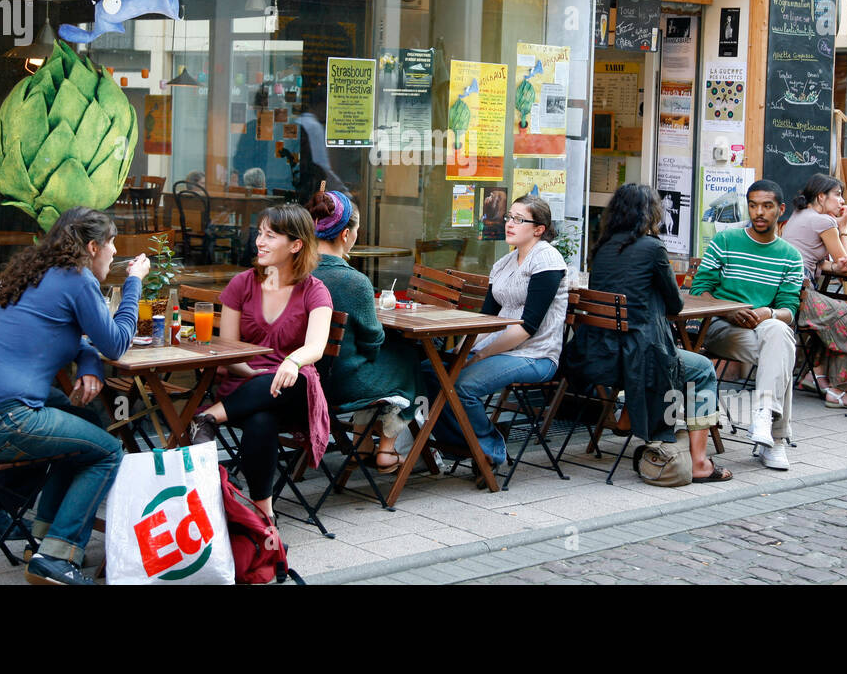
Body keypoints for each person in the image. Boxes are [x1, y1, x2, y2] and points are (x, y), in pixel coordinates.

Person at [0, 207, 148, 585]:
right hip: (3, 421)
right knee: (106, 450)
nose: (114, 250)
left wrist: (89, 364)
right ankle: (56, 557)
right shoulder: (78, 281)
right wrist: (134, 281)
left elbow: (76, 337)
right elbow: (117, 343)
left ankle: (42, 541)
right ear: (92, 247)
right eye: (111, 243)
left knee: (85, 425)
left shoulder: (32, 275)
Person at [566, 184, 729, 482]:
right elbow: (675, 303)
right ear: (650, 213)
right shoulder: (652, 248)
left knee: (657, 351)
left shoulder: (602, 248)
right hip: (636, 358)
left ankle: (629, 418)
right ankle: (701, 462)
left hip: (599, 355)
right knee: (703, 369)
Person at [192, 204, 333, 518]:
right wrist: (255, 373)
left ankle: (210, 417)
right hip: (243, 384)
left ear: (296, 245)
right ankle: (264, 515)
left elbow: (316, 347)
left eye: (271, 235)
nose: (260, 241)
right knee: (260, 419)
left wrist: (292, 362)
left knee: (297, 379)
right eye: (259, 233)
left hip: (291, 392)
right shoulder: (242, 284)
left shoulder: (315, 290)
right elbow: (228, 350)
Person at [426, 194, 568, 478]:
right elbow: (486, 321)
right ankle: (462, 444)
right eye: (509, 217)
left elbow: (529, 327)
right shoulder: (503, 263)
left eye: (519, 219)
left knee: (462, 384)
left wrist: (481, 354)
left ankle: (490, 449)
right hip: (499, 347)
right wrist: (465, 350)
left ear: (538, 229)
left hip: (535, 354)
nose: (509, 224)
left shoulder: (547, 259)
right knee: (432, 372)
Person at [689, 179, 804, 471]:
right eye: (753, 205)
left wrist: (768, 313)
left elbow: (790, 309)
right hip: (719, 327)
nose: (759, 213)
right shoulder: (726, 241)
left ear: (781, 209)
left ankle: (765, 418)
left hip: (764, 329)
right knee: (782, 353)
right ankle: (775, 441)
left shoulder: (791, 256)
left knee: (779, 337)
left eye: (766, 206)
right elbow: (698, 290)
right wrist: (729, 312)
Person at [307, 189, 421, 474]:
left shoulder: (295, 271)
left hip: (306, 379)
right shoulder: (353, 281)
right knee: (407, 362)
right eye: (357, 229)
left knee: (372, 362)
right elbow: (373, 341)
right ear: (346, 234)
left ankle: (362, 443)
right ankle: (386, 448)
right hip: (340, 385)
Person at [781, 173, 847, 409]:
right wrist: (843, 227)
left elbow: (819, 261)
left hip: (783, 294)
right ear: (821, 197)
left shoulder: (799, 215)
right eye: (837, 195)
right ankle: (840, 388)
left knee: (833, 319)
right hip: (799, 297)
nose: (842, 201)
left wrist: (835, 264)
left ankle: (817, 376)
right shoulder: (825, 222)